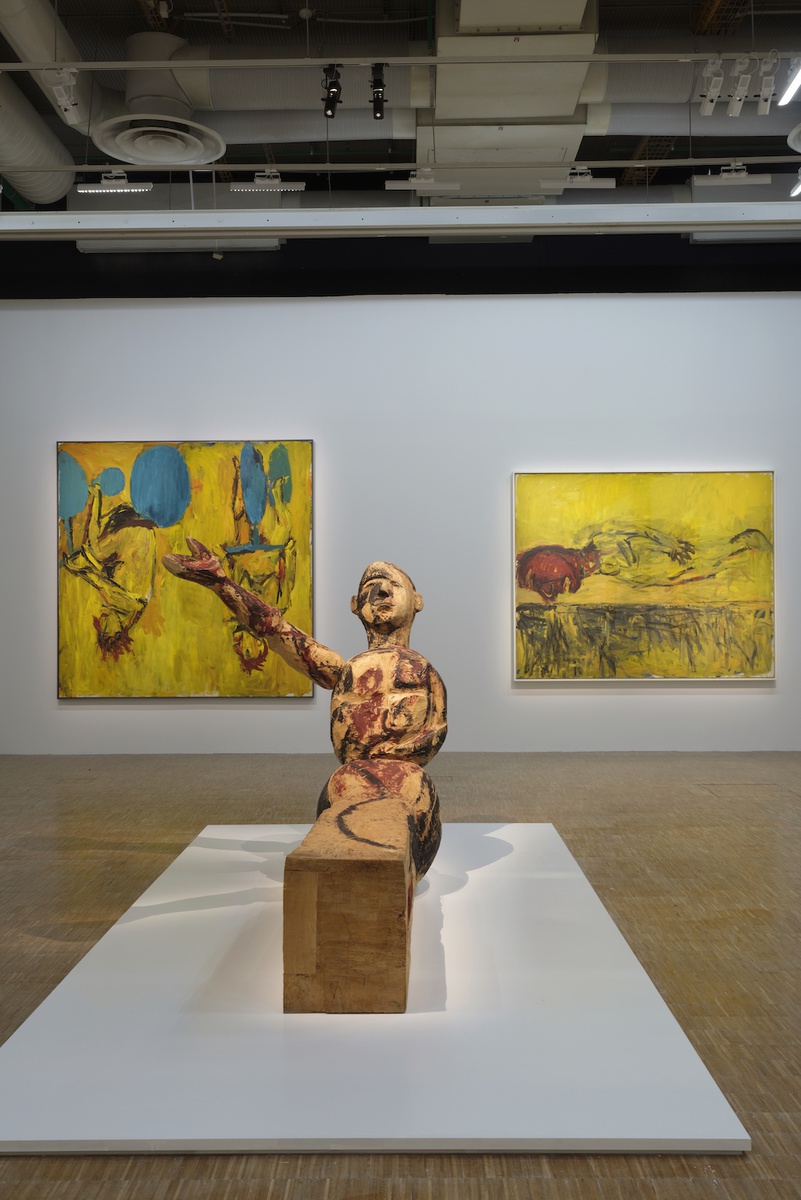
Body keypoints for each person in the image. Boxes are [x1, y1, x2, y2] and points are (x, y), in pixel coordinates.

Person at [162, 540, 446, 878]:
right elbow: (277, 631)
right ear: (355, 605)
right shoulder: (346, 670)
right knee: (342, 802)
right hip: (350, 779)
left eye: (392, 584)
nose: (381, 591)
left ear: (417, 601)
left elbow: (437, 728)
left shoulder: (424, 672)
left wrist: (399, 754)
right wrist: (222, 583)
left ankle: (392, 876)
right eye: (370, 586)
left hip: (408, 781)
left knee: (412, 791)